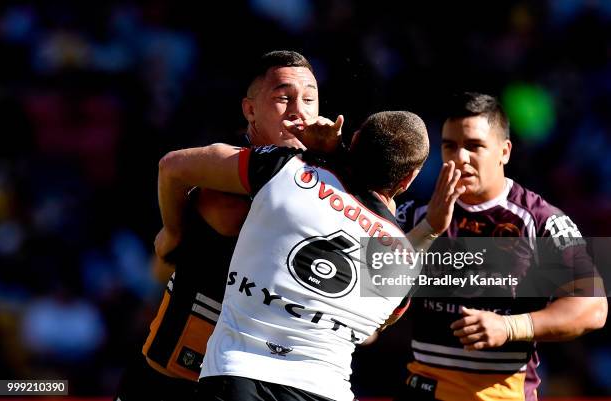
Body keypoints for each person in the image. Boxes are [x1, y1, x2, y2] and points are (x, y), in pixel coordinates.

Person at [157, 110, 465, 401]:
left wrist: (172, 233)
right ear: (408, 180)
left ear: (355, 138)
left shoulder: (285, 169)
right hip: (326, 390)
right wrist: (429, 230)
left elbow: (174, 165)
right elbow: (370, 331)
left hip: (236, 375)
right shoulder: (406, 262)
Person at [114, 50, 342, 401]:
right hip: (179, 371)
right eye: (284, 98)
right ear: (250, 110)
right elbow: (171, 167)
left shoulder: (330, 176)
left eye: (310, 99)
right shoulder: (232, 169)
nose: (300, 110)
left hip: (263, 377)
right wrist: (172, 231)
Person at [392, 92, 608, 401]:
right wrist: (427, 231)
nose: (459, 158)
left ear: (504, 151)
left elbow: (593, 307)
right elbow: (370, 289)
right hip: (421, 389)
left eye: (474, 146)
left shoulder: (541, 220)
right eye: (449, 146)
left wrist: (509, 326)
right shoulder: (413, 213)